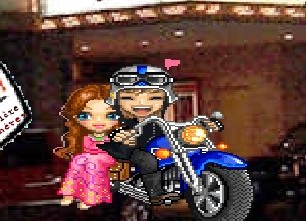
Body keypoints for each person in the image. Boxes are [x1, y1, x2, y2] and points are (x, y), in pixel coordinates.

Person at [99, 64, 222, 205]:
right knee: (147, 160)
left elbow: (170, 131)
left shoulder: (157, 122)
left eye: (154, 97)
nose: (141, 103)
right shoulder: (116, 118)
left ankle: (175, 183)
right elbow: (107, 130)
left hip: (150, 147)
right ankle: (155, 194)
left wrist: (205, 125)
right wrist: (119, 134)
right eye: (129, 97)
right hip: (124, 149)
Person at [55, 84, 121, 209]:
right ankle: (70, 193)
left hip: (107, 157)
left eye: (109, 115)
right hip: (91, 157)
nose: (98, 121)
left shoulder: (116, 135)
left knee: (92, 162)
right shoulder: (85, 135)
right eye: (86, 116)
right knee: (78, 160)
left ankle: (92, 197)